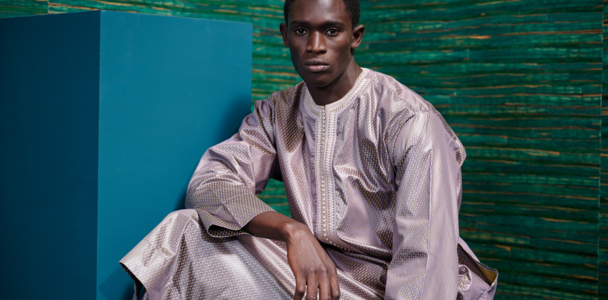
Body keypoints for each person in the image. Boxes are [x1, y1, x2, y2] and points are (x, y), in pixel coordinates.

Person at [120, 0, 498, 299]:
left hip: (389, 290)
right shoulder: (277, 112)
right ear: (285, 34)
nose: (315, 47)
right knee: (185, 231)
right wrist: (292, 231)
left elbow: (424, 258)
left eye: (331, 31)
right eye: (302, 31)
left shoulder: (409, 121)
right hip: (317, 280)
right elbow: (210, 184)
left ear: (356, 35)